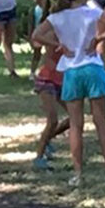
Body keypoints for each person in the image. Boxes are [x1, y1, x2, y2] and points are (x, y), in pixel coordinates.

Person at [31, 0, 105, 186]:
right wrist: (98, 39)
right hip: (93, 68)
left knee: (76, 125)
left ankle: (78, 174)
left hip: (71, 70)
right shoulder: (92, 12)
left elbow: (36, 35)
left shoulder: (57, 17)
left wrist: (59, 44)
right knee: (101, 123)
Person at [29, 13, 69, 172]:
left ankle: (46, 139)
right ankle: (38, 157)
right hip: (47, 79)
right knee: (52, 119)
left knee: (74, 118)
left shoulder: (73, 30)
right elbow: (38, 42)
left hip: (64, 80)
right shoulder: (53, 31)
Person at [25, 0, 48, 80]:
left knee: (48, 54)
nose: (38, 0)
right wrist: (30, 36)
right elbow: (31, 24)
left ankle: (44, 71)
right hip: (37, 34)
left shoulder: (49, 9)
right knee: (36, 53)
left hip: (48, 34)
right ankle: (32, 72)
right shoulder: (34, 10)